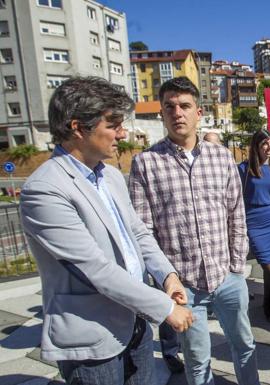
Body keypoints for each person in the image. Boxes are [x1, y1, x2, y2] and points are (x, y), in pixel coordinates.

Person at [19, 76, 193, 385]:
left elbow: (138, 234)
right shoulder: (45, 189)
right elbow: (94, 268)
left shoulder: (111, 176)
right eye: (113, 125)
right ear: (77, 127)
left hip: (135, 324)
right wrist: (165, 307)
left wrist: (168, 276)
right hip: (92, 338)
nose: (122, 133)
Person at [129, 77, 259, 385]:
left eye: (185, 106)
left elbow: (236, 215)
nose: (178, 113)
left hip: (226, 277)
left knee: (245, 347)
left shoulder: (222, 157)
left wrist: (237, 268)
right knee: (198, 361)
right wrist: (166, 280)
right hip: (183, 285)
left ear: (198, 112)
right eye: (170, 107)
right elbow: (142, 231)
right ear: (161, 114)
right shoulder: (145, 163)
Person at [239, 130, 270, 324]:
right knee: (268, 267)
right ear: (256, 147)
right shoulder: (244, 169)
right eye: (264, 144)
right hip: (253, 222)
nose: (269, 147)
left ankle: (268, 305)